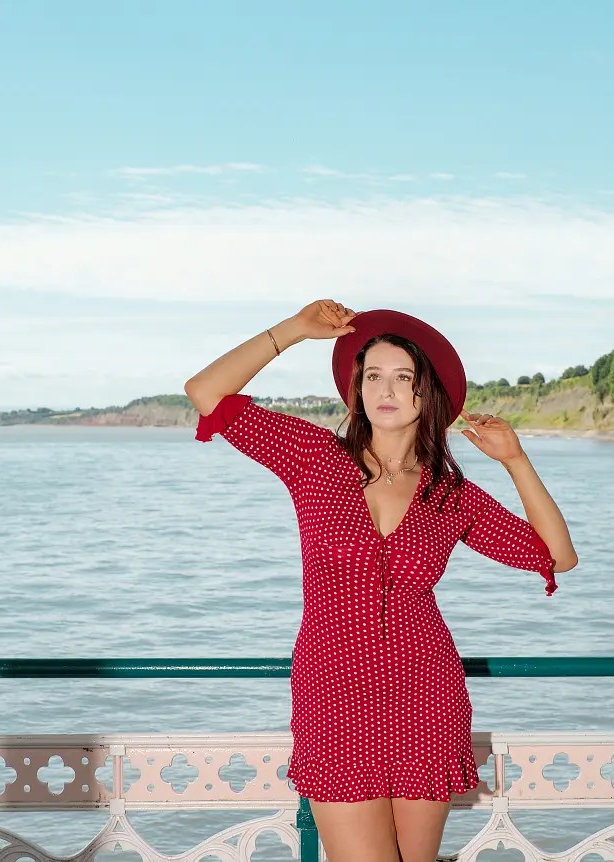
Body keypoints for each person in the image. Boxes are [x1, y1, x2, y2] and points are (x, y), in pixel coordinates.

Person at [185, 299, 578, 862]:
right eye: (373, 376)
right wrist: (294, 330)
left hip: (426, 694)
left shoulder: (449, 494)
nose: (385, 389)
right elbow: (205, 392)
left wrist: (515, 460)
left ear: (426, 392)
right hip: (335, 696)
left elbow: (557, 556)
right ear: (357, 389)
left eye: (403, 377)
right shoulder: (314, 458)